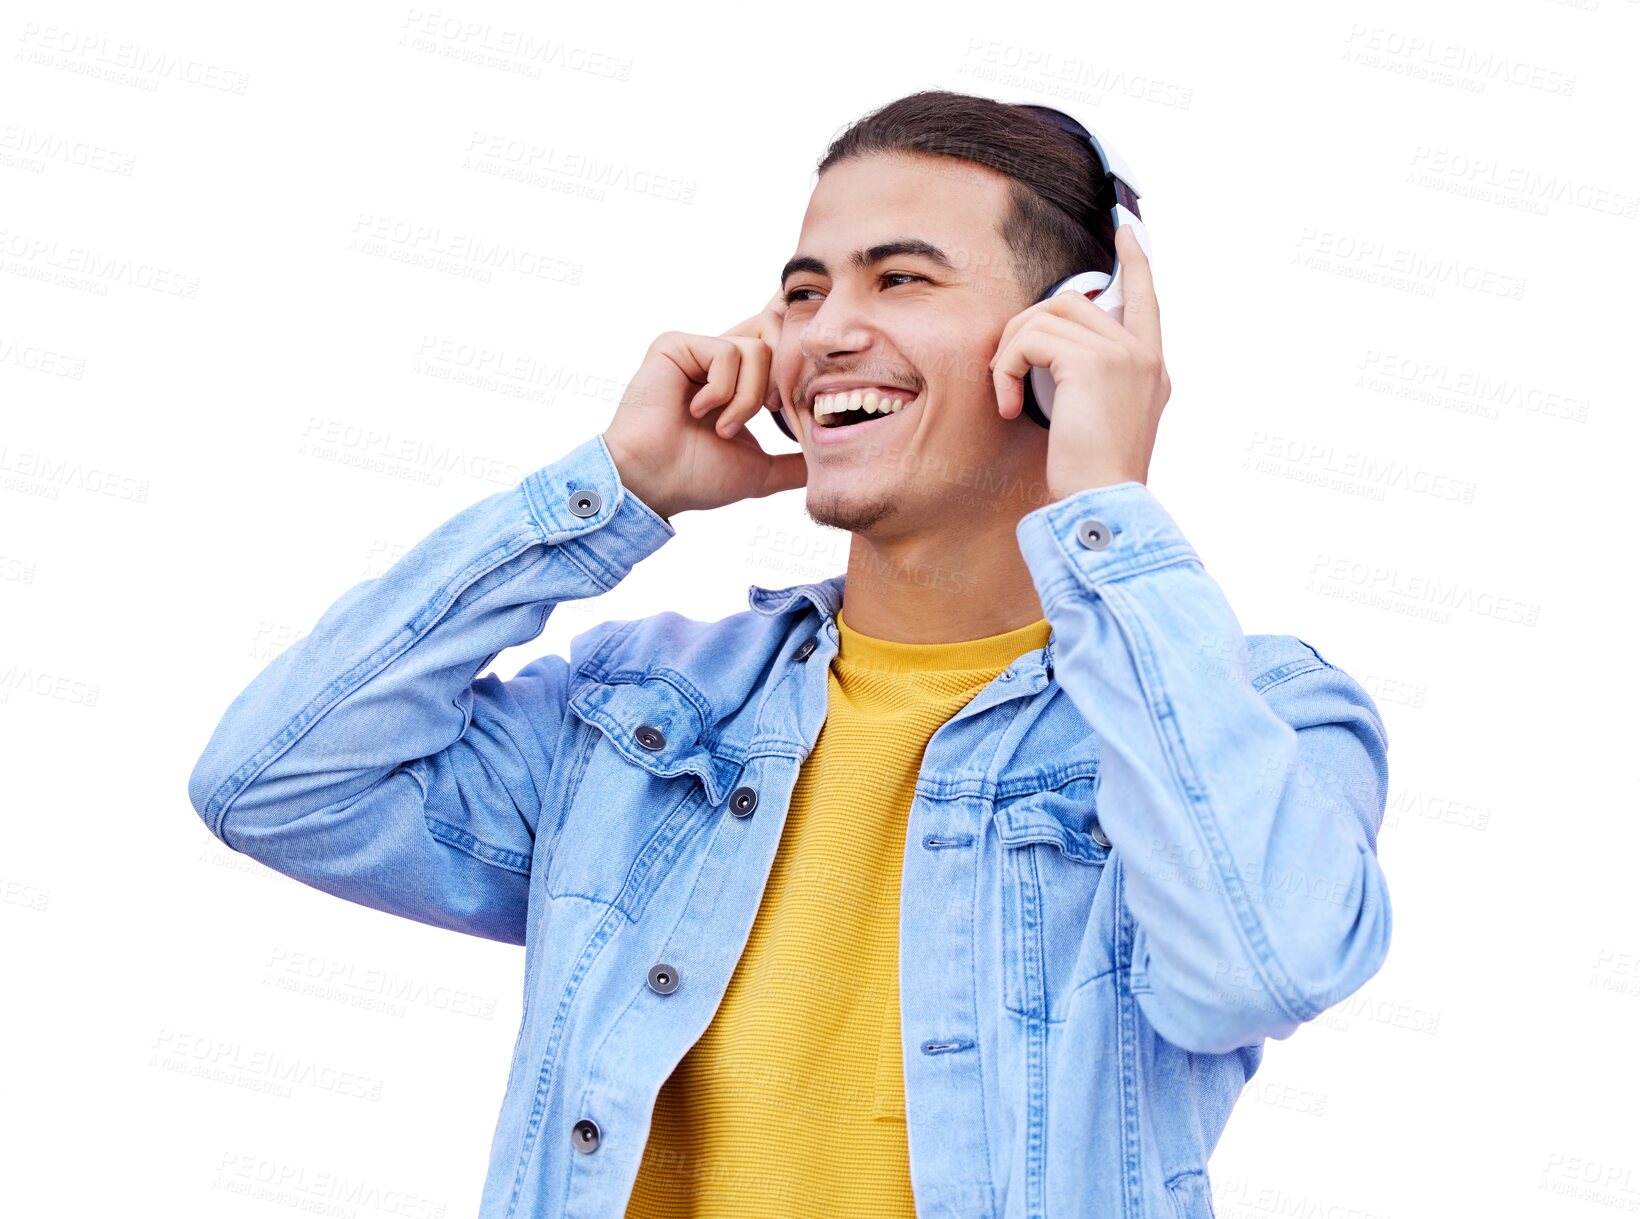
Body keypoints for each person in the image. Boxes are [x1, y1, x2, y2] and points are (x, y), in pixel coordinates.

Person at [189, 89, 1392, 1218]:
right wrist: (610, 494)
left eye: (899, 279)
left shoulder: (1262, 714)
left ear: (1071, 333)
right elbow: (276, 786)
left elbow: (1258, 967)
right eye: (803, 292)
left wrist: (1105, 504)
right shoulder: (644, 708)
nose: (826, 334)